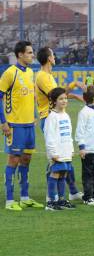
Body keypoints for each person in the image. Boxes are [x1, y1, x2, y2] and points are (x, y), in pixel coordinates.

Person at [36, 47, 86, 202]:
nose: (55, 56)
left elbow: (59, 94)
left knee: (64, 156)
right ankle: (51, 196)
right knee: (55, 158)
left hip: (56, 116)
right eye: (53, 54)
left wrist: (74, 95)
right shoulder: (43, 76)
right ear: (48, 58)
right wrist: (74, 85)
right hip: (49, 118)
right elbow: (54, 95)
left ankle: (72, 191)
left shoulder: (48, 76)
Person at [0, 41, 44, 211]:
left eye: (32, 52)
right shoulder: (10, 73)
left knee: (26, 159)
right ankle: (10, 200)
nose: (32, 55)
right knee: (13, 160)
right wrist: (4, 122)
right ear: (20, 55)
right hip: (14, 125)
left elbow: (30, 97)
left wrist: (33, 115)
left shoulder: (30, 73)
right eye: (29, 52)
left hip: (28, 125)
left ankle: (25, 197)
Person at [44, 87, 76, 211]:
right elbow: (49, 137)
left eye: (65, 98)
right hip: (57, 153)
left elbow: (69, 134)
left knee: (63, 174)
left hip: (66, 151)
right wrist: (53, 153)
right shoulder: (52, 117)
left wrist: (71, 149)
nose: (64, 101)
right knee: (56, 173)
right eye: (61, 99)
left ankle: (61, 200)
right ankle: (51, 201)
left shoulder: (66, 115)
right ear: (54, 101)